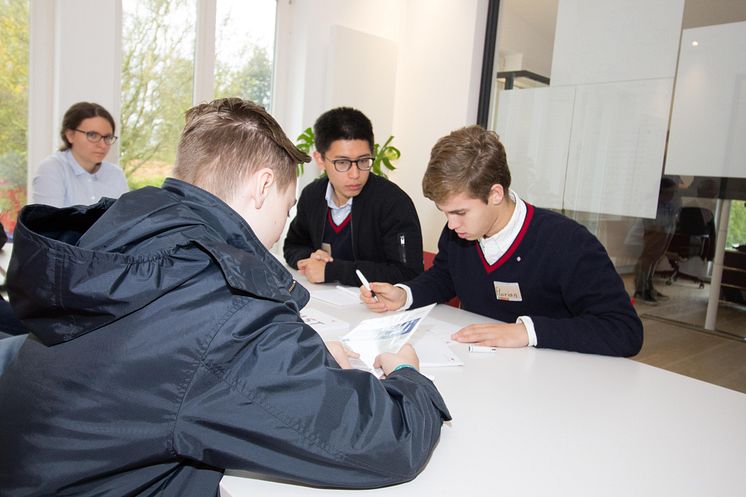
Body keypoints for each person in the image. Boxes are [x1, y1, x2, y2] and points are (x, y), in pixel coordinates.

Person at [0, 98, 450, 495]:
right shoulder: (225, 310)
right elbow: (386, 443)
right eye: (287, 207)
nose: (283, 224)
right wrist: (408, 373)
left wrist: (298, 356)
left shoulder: (120, 241)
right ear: (262, 187)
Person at [360, 125, 643, 358]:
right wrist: (406, 295)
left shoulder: (568, 243)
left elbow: (624, 330)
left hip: (551, 382)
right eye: (444, 212)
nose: (451, 224)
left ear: (495, 194)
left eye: (459, 212)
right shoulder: (461, 232)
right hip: (479, 366)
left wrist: (526, 331)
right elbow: (445, 276)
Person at [283, 107, 424, 286]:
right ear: (320, 160)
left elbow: (408, 273)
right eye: (342, 162)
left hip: (377, 309)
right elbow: (292, 246)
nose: (355, 174)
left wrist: (332, 270)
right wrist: (311, 258)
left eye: (364, 161)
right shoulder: (312, 196)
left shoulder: (393, 203)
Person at [32, 101, 129, 207]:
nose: (102, 145)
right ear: (70, 135)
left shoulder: (115, 174)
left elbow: (124, 220)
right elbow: (47, 221)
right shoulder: (52, 169)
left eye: (107, 137)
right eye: (92, 135)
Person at [633, 176, 680, 304]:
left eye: (673, 192)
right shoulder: (650, 203)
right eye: (669, 192)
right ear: (660, 192)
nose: (671, 195)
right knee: (648, 258)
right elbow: (652, 225)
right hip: (641, 238)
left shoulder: (669, 205)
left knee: (655, 257)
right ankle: (641, 290)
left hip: (660, 235)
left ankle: (649, 286)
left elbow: (673, 218)